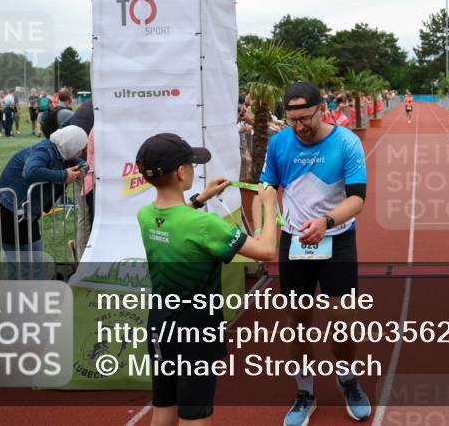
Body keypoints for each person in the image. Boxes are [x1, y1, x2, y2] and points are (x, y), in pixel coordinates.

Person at [135, 133, 278, 426]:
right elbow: (266, 251)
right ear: (181, 172)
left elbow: (177, 218)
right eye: (191, 164)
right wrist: (268, 204)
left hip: (160, 326)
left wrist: (201, 198)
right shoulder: (207, 225)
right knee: (195, 415)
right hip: (197, 332)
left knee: (163, 407)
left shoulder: (146, 215)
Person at [255, 81, 371, 426]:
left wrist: (327, 221)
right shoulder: (279, 143)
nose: (299, 127)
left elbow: (358, 198)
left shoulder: (347, 142)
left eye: (305, 118)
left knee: (343, 322)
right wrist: (262, 225)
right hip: (295, 242)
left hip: (337, 238)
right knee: (297, 323)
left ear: (322, 109)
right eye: (292, 120)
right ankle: (305, 392)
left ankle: (347, 379)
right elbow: (265, 188)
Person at [0, 125, 88, 278]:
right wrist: (63, 176)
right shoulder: (44, 150)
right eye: (81, 148)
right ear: (71, 145)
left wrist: (82, 167)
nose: (82, 152)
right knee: (26, 268)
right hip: (5, 215)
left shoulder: (61, 152)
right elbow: (31, 171)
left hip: (21, 216)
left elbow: (79, 161)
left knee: (32, 267)